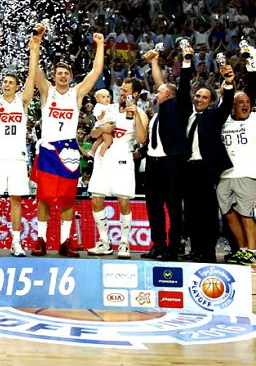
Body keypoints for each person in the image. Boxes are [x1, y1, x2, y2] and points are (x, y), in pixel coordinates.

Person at [30, 32, 105, 257]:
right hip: (48, 149)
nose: (62, 76)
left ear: (71, 77)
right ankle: (41, 239)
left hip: (70, 151)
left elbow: (96, 72)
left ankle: (64, 241)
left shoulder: (76, 94)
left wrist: (100, 44)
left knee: (67, 199)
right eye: (59, 73)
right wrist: (35, 45)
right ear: (54, 77)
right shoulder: (47, 91)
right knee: (43, 197)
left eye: (66, 74)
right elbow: (34, 71)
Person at [0, 25, 41, 257]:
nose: (6, 84)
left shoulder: (22, 102)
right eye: (4, 82)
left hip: (17, 158)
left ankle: (16, 242)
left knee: (16, 200)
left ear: (16, 87)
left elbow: (31, 76)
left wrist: (34, 50)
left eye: (10, 82)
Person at [86, 78, 149, 259]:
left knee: (123, 202)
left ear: (134, 94)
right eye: (121, 90)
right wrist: (101, 129)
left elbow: (142, 139)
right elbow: (93, 133)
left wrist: (135, 114)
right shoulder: (110, 108)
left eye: (125, 91)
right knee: (96, 199)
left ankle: (124, 243)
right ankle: (104, 242)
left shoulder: (141, 114)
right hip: (103, 159)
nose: (121, 93)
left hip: (123, 159)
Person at [142, 42, 194, 260]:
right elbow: (159, 81)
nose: (157, 90)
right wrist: (154, 61)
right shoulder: (158, 111)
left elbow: (181, 86)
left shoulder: (180, 105)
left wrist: (187, 60)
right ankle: (159, 246)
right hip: (153, 163)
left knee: (173, 208)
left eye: (161, 90)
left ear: (170, 94)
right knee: (153, 208)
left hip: (172, 163)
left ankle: (173, 248)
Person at [180, 62, 236, 263]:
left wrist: (228, 84)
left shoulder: (214, 116)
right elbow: (182, 90)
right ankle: (195, 249)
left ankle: (208, 252)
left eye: (205, 97)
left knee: (208, 214)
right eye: (198, 96)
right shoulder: (187, 116)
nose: (200, 99)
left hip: (206, 169)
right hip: (188, 169)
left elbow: (227, 103)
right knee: (192, 213)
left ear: (211, 101)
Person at [219, 53, 256, 265]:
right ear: (232, 105)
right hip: (225, 175)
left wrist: (250, 65)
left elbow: (254, 88)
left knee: (246, 215)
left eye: (248, 102)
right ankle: (242, 249)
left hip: (247, 174)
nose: (245, 105)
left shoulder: (253, 120)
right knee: (229, 214)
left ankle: (253, 250)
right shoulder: (223, 121)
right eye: (240, 102)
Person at [89, 89, 118, 157]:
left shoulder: (110, 106)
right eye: (103, 97)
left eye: (108, 96)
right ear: (97, 99)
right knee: (108, 141)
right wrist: (102, 114)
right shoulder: (98, 106)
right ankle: (101, 154)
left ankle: (92, 151)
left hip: (109, 124)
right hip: (104, 125)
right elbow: (98, 118)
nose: (106, 98)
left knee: (100, 140)